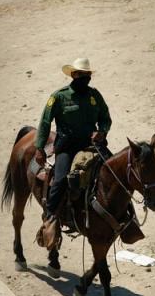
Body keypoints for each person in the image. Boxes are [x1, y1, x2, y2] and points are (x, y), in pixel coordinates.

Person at [34, 57, 112, 223]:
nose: (85, 78)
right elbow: (45, 122)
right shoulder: (59, 97)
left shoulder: (94, 95)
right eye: (82, 75)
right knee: (61, 179)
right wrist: (39, 148)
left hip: (92, 145)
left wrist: (102, 132)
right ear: (74, 75)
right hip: (68, 146)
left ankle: (127, 216)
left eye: (88, 74)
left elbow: (105, 118)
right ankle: (50, 216)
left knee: (114, 172)